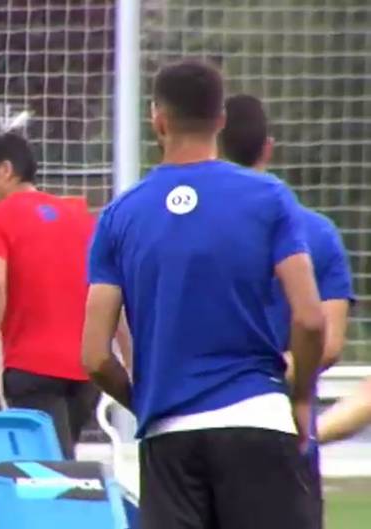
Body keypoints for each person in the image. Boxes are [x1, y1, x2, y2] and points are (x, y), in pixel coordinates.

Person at [82, 59, 326, 529]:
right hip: (259, 421)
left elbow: (94, 355)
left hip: (170, 439)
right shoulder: (270, 198)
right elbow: (311, 320)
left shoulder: (119, 217)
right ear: (220, 120)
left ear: (158, 118)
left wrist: (149, 402)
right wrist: (300, 397)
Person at [221, 93, 354, 529]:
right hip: (286, 426)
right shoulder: (317, 232)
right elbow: (329, 342)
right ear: (268, 148)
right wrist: (280, 384)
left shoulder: (190, 228)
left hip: (203, 422)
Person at [0, 132, 100, 460]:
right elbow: (111, 291)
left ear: (5, 170)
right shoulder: (81, 219)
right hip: (87, 374)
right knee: (64, 468)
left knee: (51, 482)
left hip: (33, 370)